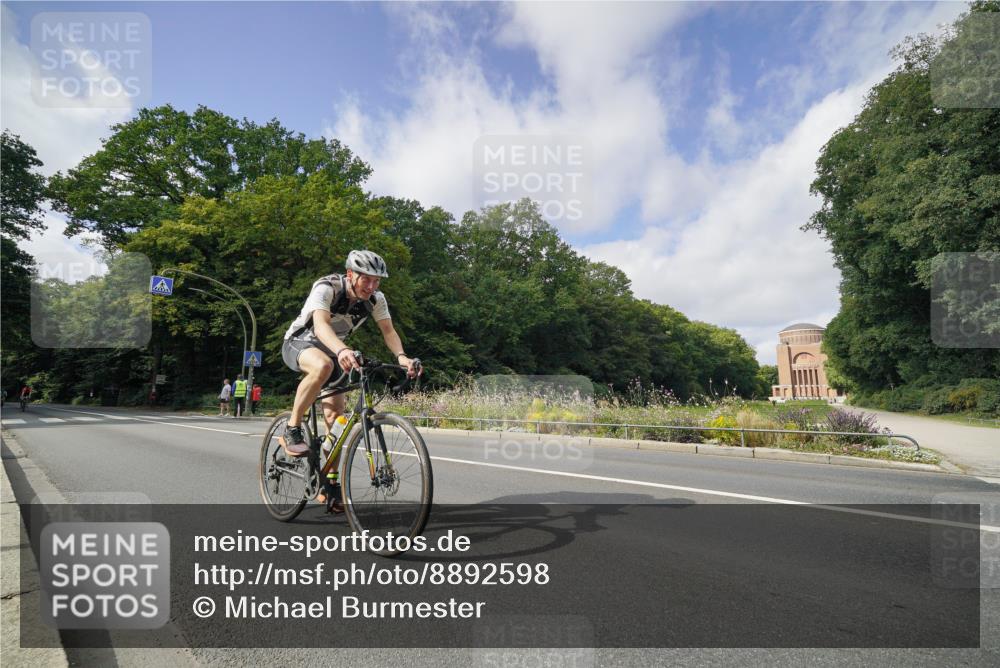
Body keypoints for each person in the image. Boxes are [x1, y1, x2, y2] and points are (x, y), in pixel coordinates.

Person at [280, 250, 420, 508]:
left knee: (338, 421)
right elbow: (321, 326)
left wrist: (402, 357)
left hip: (334, 350)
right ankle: (293, 427)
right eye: (366, 279)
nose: (372, 286)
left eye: (377, 281)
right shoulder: (327, 288)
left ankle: (329, 485)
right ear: (350, 274)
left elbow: (388, 331)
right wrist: (342, 350)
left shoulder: (376, 299)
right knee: (322, 365)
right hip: (300, 343)